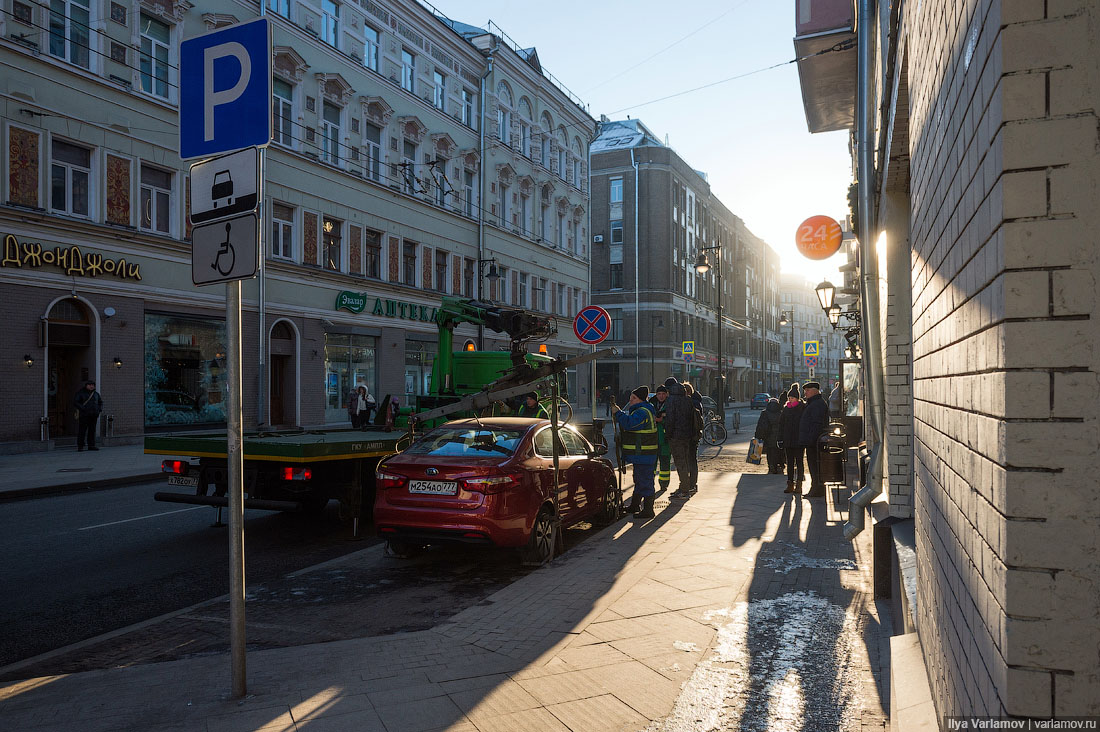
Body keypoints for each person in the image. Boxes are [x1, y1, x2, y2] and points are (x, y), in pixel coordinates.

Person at [615, 386, 659, 519]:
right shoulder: (643, 410)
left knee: (645, 481)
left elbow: (629, 424)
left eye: (633, 398)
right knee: (639, 480)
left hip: (644, 454)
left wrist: (618, 413)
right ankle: (635, 505)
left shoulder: (642, 412)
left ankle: (648, 510)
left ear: (640, 399)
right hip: (643, 455)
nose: (631, 401)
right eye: (630, 398)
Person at [662, 377, 700, 500]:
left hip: (676, 436)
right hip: (687, 436)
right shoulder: (687, 400)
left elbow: (670, 420)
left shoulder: (671, 401)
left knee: (680, 463)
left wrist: (668, 434)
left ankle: (684, 490)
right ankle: (686, 487)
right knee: (686, 462)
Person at [798, 381, 830, 497]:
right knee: (813, 465)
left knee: (815, 466)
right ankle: (816, 488)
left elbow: (817, 424)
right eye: (805, 390)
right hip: (812, 441)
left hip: (815, 442)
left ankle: (817, 489)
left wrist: (811, 440)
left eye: (808, 390)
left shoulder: (817, 404)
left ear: (815, 391)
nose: (805, 393)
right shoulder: (813, 403)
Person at [778, 384, 806, 494]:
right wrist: (780, 439)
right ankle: (790, 484)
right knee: (789, 463)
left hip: (799, 440)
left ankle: (799, 485)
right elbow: (781, 425)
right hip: (788, 440)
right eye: (789, 398)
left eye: (792, 398)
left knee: (799, 462)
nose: (790, 400)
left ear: (797, 398)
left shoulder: (802, 408)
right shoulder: (786, 409)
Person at [648, 385, 672, 489]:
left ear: (666, 394)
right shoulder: (651, 404)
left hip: (665, 439)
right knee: (651, 463)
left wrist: (662, 420)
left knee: (665, 463)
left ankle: (664, 484)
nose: (661, 396)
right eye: (659, 394)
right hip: (653, 439)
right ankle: (650, 483)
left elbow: (673, 420)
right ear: (656, 395)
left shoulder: (670, 404)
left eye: (663, 394)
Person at [754, 397, 784, 474]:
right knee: (779, 451)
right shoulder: (781, 412)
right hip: (779, 435)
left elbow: (760, 426)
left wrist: (757, 436)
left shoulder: (765, 413)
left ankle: (771, 465)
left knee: (770, 451)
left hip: (768, 435)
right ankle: (779, 465)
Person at [73, 380, 103, 452]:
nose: (91, 386)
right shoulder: (80, 393)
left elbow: (100, 402)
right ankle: (80, 446)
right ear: (86, 386)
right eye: (89, 385)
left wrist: (99, 410)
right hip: (84, 415)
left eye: (93, 385)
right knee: (82, 431)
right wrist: (84, 409)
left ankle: (91, 445)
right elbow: (76, 402)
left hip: (94, 415)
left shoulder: (96, 394)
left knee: (92, 431)